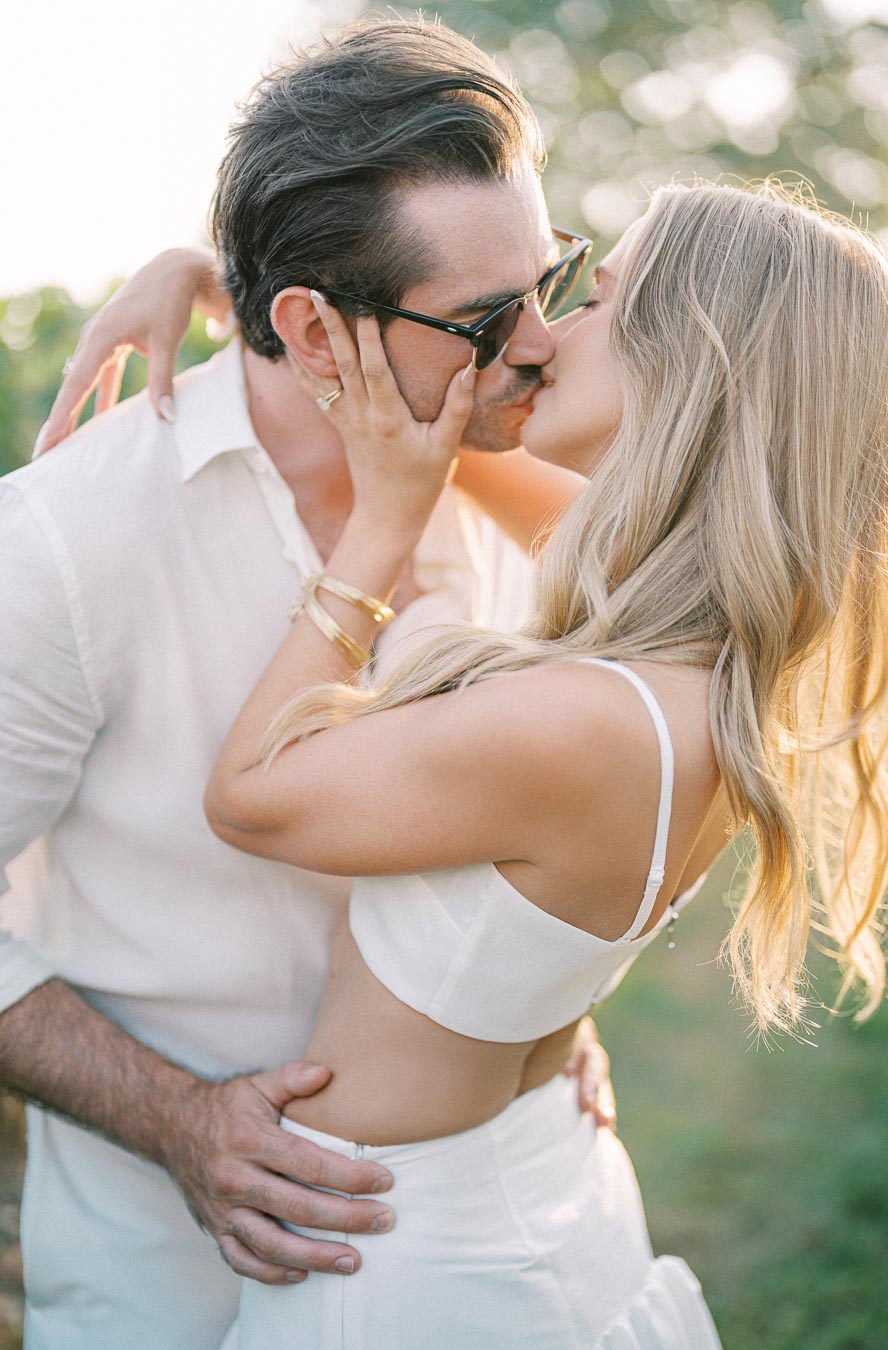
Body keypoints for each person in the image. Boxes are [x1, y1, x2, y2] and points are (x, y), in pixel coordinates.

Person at [49, 177, 888, 1346]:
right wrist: (221, 283)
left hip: (400, 1261)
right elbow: (433, 435)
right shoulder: (694, 651)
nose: (542, 339)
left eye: (596, 302)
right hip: (513, 1185)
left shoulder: (595, 721)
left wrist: (378, 531)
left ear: (686, 363)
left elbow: (248, 798)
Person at [0, 19, 615, 1349]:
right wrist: (175, 1116)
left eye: (547, 281)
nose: (538, 344)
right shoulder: (62, 544)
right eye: (482, 319)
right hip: (154, 1272)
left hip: (449, 1253)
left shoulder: (495, 480)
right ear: (310, 327)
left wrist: (522, 1001)